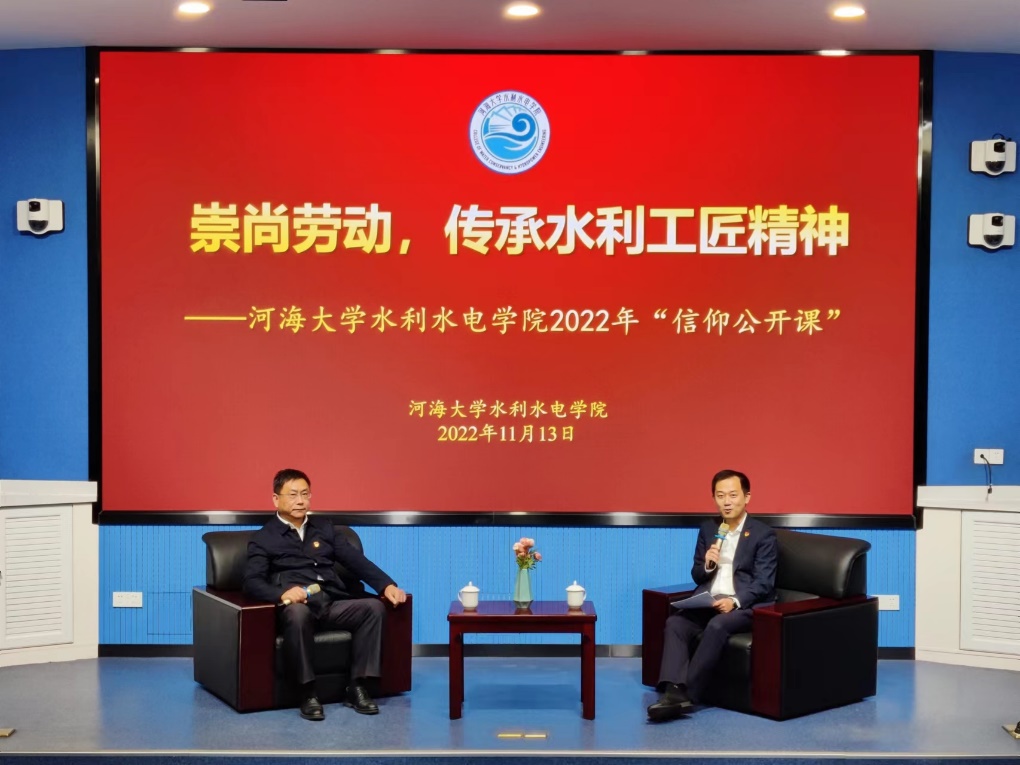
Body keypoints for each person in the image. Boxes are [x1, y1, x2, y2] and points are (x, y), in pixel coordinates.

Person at [243, 468, 407, 722]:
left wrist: (386, 585)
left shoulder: (325, 528)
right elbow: (252, 582)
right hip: (298, 607)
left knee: (373, 608)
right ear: (276, 499)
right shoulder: (264, 538)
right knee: (297, 614)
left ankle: (357, 686)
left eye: (305, 494)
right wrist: (282, 593)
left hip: (331, 602)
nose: (300, 501)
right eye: (293, 495)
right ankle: (307, 692)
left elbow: (356, 561)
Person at [646, 469, 777, 722]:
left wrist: (734, 601)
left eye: (733, 495)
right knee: (676, 623)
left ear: (747, 497)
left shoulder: (763, 534)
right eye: (720, 496)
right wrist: (707, 565)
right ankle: (672, 688)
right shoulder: (709, 529)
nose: (726, 502)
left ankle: (687, 694)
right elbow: (697, 575)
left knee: (717, 625)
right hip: (710, 599)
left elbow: (764, 583)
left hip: (745, 605)